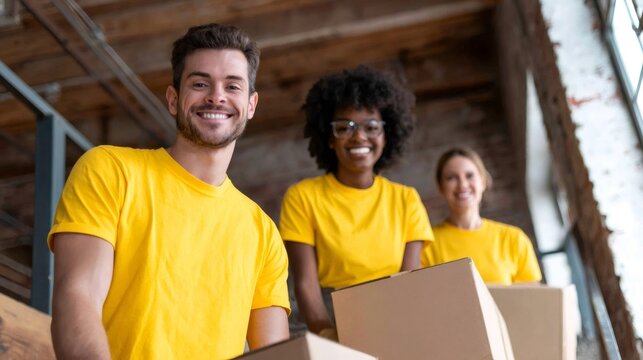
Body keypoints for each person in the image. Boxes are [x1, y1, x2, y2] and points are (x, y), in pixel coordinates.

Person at [48, 23, 290, 359]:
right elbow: (78, 295)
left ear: (250, 104)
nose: (216, 96)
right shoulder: (111, 170)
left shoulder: (263, 234)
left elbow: (276, 353)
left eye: (232, 86)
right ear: (174, 99)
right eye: (200, 83)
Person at [279, 65, 434, 339]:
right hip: (330, 319)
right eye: (344, 127)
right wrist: (329, 335)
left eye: (371, 127)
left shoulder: (406, 199)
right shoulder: (302, 197)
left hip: (399, 315)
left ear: (387, 135)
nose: (359, 137)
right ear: (329, 138)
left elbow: (412, 280)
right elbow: (305, 285)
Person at [421, 147, 542, 285]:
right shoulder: (427, 245)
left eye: (469, 175)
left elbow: (530, 301)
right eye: (451, 178)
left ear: (482, 181)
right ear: (441, 187)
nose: (463, 184)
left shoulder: (514, 239)